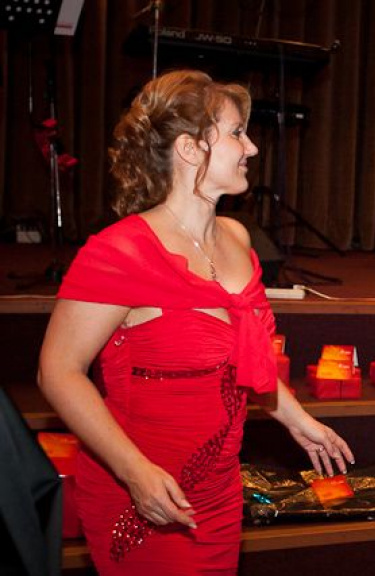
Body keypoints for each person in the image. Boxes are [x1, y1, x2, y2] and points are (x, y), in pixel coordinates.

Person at [37, 70, 354, 575]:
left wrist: (299, 421)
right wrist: (134, 471)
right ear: (189, 149)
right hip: (144, 494)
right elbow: (57, 372)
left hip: (220, 492)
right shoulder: (120, 251)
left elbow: (246, 358)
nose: (251, 148)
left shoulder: (237, 238)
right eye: (236, 133)